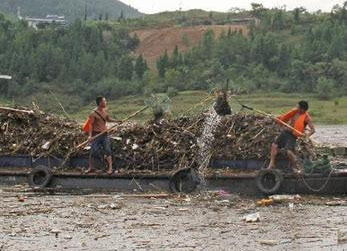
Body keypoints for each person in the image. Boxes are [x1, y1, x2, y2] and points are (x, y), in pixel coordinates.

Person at [267, 101, 316, 172]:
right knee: (274, 145)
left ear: (302, 109)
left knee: (289, 152)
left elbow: (313, 130)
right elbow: (284, 118)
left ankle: (295, 166)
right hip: (285, 132)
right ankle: (271, 164)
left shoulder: (307, 118)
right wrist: (277, 119)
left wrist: (306, 136)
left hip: (292, 136)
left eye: (298, 107)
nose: (296, 108)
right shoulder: (295, 112)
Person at [86, 96, 117, 175]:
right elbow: (91, 125)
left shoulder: (105, 111)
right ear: (100, 103)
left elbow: (108, 119)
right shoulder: (93, 113)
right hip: (96, 134)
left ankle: (110, 168)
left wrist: (117, 121)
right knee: (93, 151)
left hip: (104, 134)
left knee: (108, 150)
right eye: (104, 101)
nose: (106, 103)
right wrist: (90, 136)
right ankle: (91, 167)